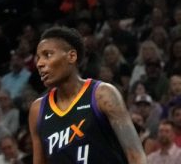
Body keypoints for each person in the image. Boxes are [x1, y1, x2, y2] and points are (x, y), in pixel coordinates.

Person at [28, 26, 146, 163]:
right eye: (38, 58)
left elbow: (136, 156)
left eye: (47, 55)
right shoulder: (37, 110)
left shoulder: (102, 94)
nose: (40, 64)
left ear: (71, 56)